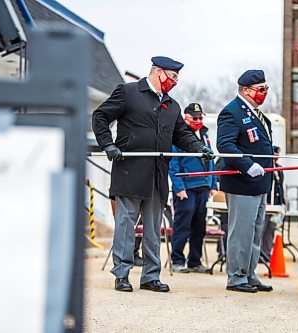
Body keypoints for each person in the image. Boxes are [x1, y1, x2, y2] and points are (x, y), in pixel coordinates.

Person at [92, 56, 214, 293]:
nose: (175, 82)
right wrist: (108, 145)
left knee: (152, 230)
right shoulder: (128, 92)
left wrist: (200, 149)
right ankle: (122, 274)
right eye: (173, 76)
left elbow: (182, 135)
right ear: (158, 72)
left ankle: (150, 276)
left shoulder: (173, 105)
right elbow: (100, 117)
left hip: (158, 175)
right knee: (126, 227)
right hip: (129, 171)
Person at [216, 69, 274, 293]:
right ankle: (236, 276)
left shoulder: (257, 114)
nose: (264, 93)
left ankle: (249, 273)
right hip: (242, 183)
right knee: (241, 231)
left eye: (265, 89)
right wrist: (248, 164)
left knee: (255, 231)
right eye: (261, 89)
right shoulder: (232, 113)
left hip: (259, 183)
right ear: (247, 90)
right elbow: (226, 146)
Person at [168, 103, 218, 273]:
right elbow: (173, 164)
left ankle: (195, 261)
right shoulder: (179, 135)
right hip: (187, 188)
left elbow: (210, 159)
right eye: (194, 118)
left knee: (199, 227)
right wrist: (179, 188)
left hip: (203, 187)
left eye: (200, 117)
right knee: (183, 225)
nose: (198, 120)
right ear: (186, 118)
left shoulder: (205, 134)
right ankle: (177, 260)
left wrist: (213, 183)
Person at [259, 145, 285, 263]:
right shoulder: (266, 167)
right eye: (275, 153)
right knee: (261, 230)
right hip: (267, 203)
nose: (277, 156)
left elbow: (280, 188)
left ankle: (267, 253)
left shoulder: (279, 169)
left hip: (275, 205)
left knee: (271, 230)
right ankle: (258, 254)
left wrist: (282, 203)